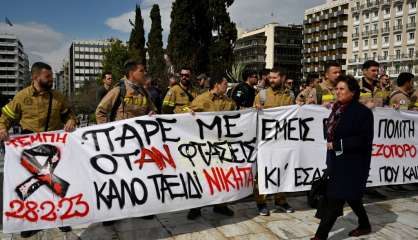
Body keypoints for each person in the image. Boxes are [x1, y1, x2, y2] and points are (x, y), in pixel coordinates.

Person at [0, 62, 77, 238]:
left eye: (51, 76)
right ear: (35, 77)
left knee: (57, 185)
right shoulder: (21, 97)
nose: (51, 80)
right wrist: (2, 128)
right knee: (33, 188)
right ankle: (29, 222)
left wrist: (71, 121)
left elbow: (70, 114)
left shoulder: (58, 97)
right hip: (30, 150)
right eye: (47, 77)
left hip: (54, 148)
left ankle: (62, 218)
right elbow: (5, 118)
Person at [311, 75, 373, 240]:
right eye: (336, 89)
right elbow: (331, 131)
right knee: (352, 197)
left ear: (352, 92)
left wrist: (337, 144)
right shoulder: (336, 109)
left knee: (335, 197)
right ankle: (365, 225)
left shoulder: (362, 112)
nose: (337, 92)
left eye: (342, 89)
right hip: (336, 161)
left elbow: (364, 139)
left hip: (354, 163)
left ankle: (320, 236)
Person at [186, 73, 236, 220]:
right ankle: (196, 207)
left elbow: (239, 115)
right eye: (225, 83)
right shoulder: (201, 99)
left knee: (222, 176)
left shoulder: (229, 102)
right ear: (217, 85)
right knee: (201, 177)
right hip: (204, 147)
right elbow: (182, 112)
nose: (227, 86)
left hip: (222, 146)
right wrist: (187, 112)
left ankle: (220, 205)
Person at [253, 68, 295, 216]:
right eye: (270, 78)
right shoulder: (262, 95)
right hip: (266, 141)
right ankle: (261, 202)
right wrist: (256, 109)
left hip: (283, 140)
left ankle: (281, 200)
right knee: (264, 171)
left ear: (283, 78)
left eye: (275, 78)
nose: (271, 80)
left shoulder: (290, 94)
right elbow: (253, 116)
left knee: (283, 169)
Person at [95, 60, 156, 124]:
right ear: (131, 73)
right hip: (121, 133)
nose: (145, 73)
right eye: (141, 71)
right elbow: (100, 112)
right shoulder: (118, 90)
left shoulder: (145, 93)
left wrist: (152, 114)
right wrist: (108, 130)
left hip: (140, 132)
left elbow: (152, 110)